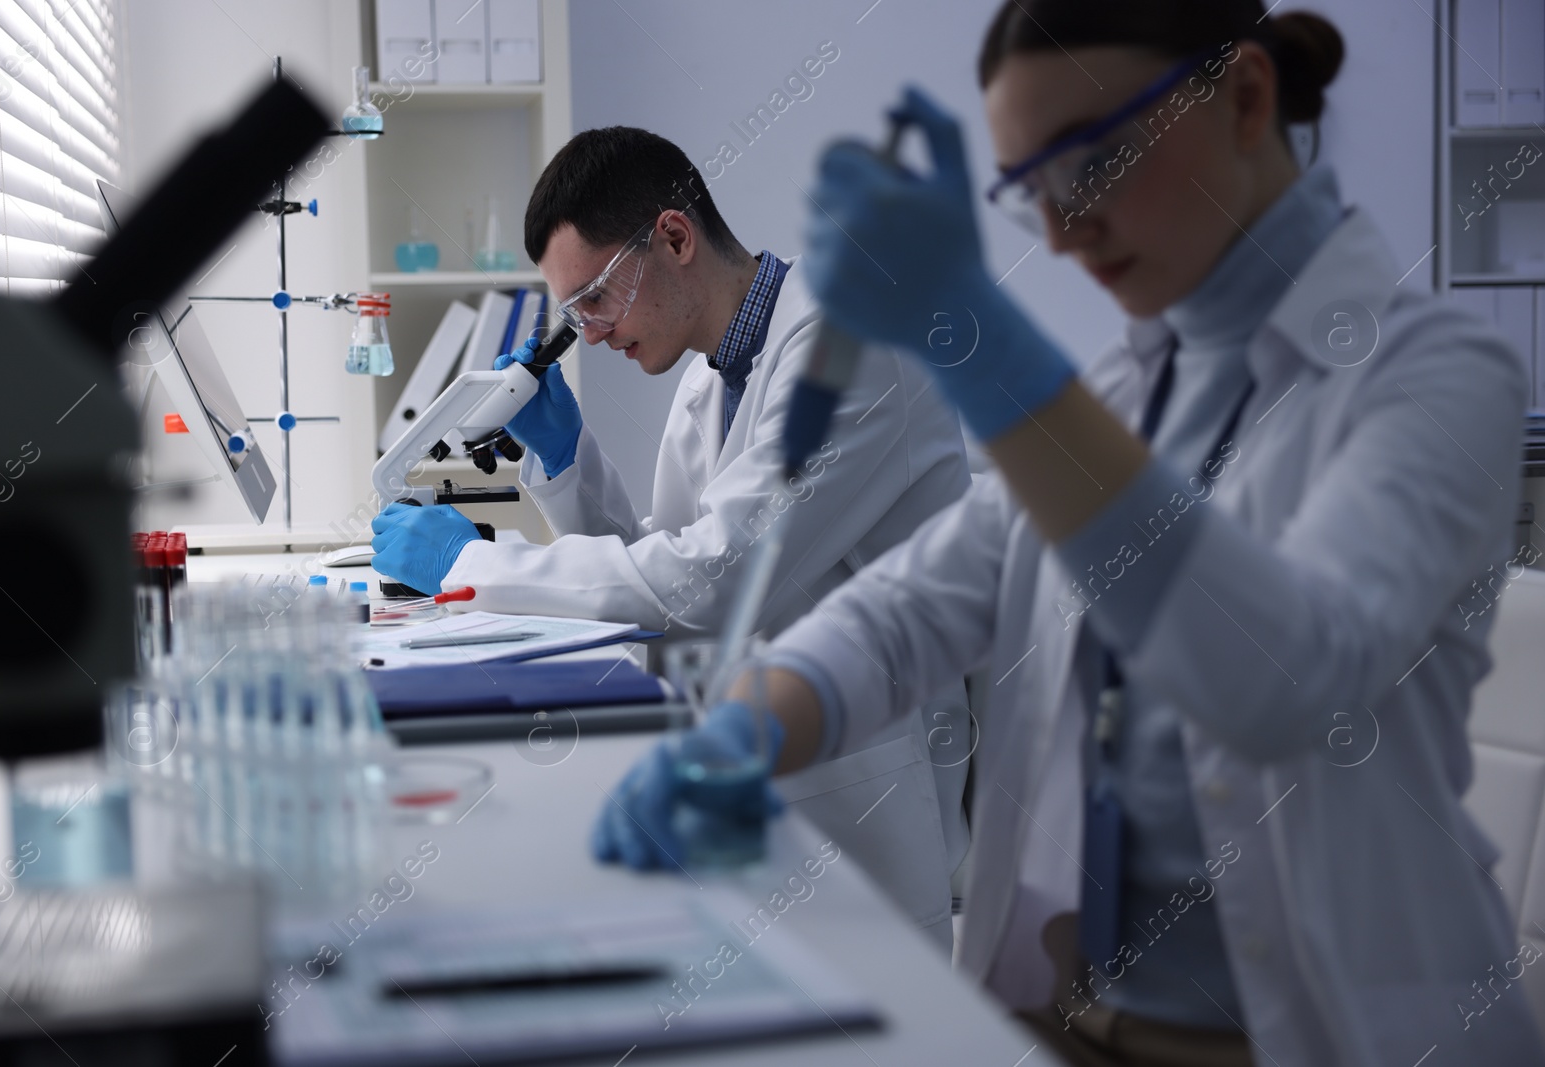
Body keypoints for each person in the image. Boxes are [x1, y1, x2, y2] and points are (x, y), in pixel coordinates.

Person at [592, 3, 1545, 1064]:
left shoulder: (1436, 375)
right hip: (1072, 1007)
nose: (1055, 229)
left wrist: (979, 336)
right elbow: (910, 608)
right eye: (1027, 187)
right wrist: (746, 725)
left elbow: (1286, 680)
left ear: (1243, 97)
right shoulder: (1127, 391)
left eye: (1086, 165)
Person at [370, 127, 973, 949]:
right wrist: (569, 460)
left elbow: (707, 585)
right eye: (573, 311)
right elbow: (659, 567)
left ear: (675, 238)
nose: (586, 332)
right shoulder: (712, 373)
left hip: (862, 794)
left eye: (592, 299)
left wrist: (466, 562)